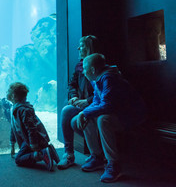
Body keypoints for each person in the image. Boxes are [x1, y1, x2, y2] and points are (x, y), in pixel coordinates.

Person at [75, 53, 146, 183]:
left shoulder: (109, 78)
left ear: (92, 70)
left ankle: (114, 164)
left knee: (103, 119)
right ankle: (96, 156)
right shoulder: (98, 79)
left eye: (85, 68)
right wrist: (84, 113)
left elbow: (107, 105)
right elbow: (97, 102)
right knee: (89, 117)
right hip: (118, 114)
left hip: (132, 116)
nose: (83, 71)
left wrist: (84, 113)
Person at [57, 35, 98, 170]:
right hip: (82, 103)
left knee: (75, 121)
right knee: (66, 110)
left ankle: (97, 153)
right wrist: (74, 97)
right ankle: (69, 154)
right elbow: (72, 84)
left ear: (89, 48)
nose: (78, 48)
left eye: (81, 45)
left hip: (95, 105)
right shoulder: (80, 65)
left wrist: (87, 101)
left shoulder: (98, 66)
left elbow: (102, 93)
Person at [8, 82, 60, 171]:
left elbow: (31, 129)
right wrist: (12, 143)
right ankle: (48, 150)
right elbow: (13, 127)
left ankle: (41, 154)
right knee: (22, 156)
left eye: (8, 92)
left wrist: (34, 145)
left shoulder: (24, 110)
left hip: (34, 140)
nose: (7, 94)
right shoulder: (15, 108)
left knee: (19, 159)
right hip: (28, 140)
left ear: (13, 96)